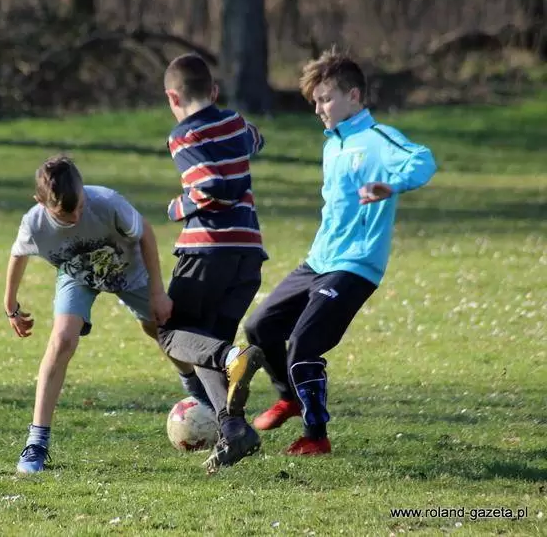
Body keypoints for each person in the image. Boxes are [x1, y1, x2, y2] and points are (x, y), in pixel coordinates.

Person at [243, 48, 437, 455]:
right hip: (319, 260)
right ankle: (290, 398)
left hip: (355, 264)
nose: (319, 109)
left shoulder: (377, 139)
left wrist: (391, 185)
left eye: (326, 99)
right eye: (315, 101)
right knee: (260, 327)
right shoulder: (333, 145)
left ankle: (316, 436)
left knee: (303, 346)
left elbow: (422, 159)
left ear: (354, 96)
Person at [5, 155, 188, 474]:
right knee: (62, 341)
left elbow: (145, 232)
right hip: (77, 274)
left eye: (80, 207)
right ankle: (36, 443)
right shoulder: (34, 224)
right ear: (40, 202)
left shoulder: (107, 202)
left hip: (128, 270)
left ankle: (197, 389)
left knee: (162, 330)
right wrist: (11, 307)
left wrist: (158, 292)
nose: (76, 217)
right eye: (65, 214)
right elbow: (18, 256)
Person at [156, 53, 269, 473]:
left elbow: (213, 186)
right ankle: (234, 430)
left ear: (173, 97)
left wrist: (179, 207)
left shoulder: (183, 136)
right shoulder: (236, 122)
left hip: (208, 251)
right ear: (214, 91)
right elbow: (257, 139)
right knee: (204, 344)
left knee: (170, 332)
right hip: (248, 254)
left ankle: (233, 354)